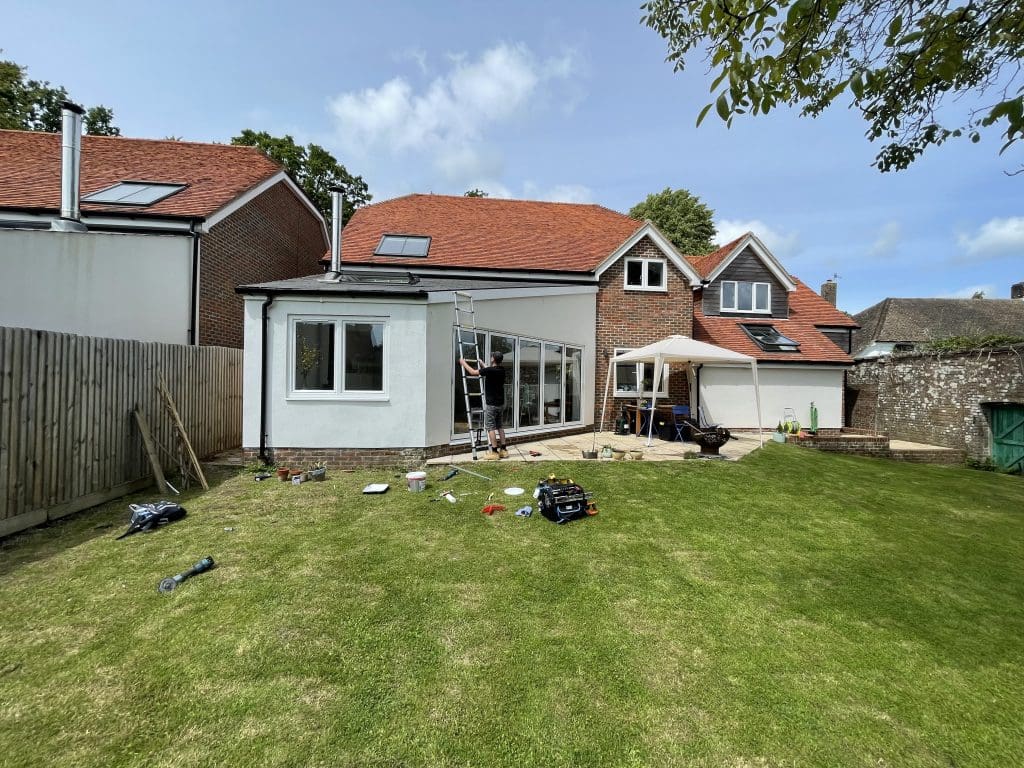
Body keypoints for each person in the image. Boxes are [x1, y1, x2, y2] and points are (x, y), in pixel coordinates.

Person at [458, 351, 508, 460]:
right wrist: (482, 363)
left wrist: (463, 362)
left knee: (490, 427)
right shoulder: (502, 370)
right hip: (500, 404)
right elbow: (489, 370)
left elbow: (472, 372)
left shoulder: (490, 370)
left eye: (492, 356)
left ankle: (494, 452)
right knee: (499, 427)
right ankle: (504, 450)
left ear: (493, 359)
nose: (491, 357)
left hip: (492, 405)